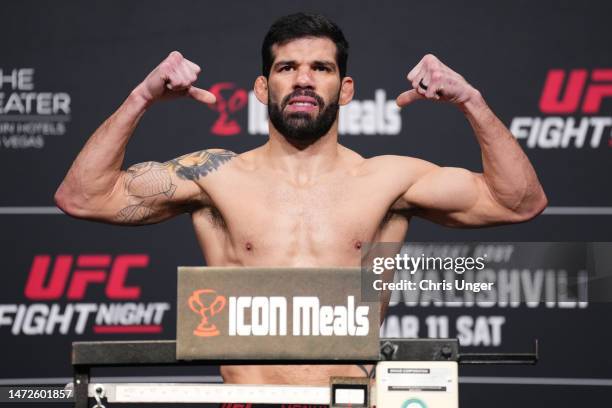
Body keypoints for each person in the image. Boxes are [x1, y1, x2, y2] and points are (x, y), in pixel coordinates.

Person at [54, 11, 546, 397]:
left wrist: (471, 101)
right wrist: (141, 96)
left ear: (345, 89)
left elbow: (518, 202)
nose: (304, 79)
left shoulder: (388, 180)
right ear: (263, 88)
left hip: (354, 400)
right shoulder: (216, 176)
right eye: (287, 67)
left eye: (321, 68)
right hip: (249, 401)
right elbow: (83, 196)